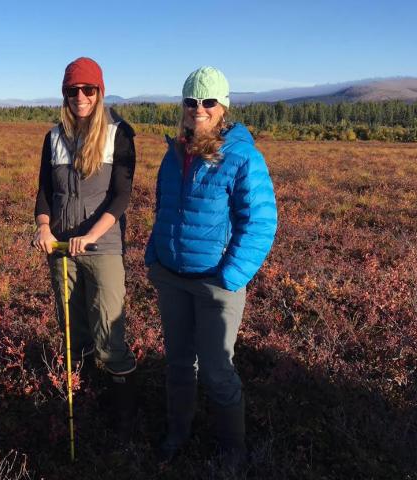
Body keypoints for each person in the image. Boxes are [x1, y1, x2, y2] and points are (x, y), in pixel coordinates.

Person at [145, 66, 277, 464]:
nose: (198, 109)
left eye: (208, 102)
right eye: (190, 101)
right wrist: (155, 256)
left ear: (223, 107)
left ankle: (231, 449)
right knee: (179, 364)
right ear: (182, 106)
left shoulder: (241, 156)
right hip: (173, 278)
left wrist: (231, 277)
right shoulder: (174, 154)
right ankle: (178, 434)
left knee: (218, 370)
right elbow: (164, 209)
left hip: (216, 283)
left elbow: (261, 221)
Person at [31, 57, 138, 441]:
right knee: (73, 332)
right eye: (73, 90)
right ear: (65, 94)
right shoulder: (54, 137)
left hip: (103, 248)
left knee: (109, 330)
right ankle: (85, 401)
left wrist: (93, 234)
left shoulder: (119, 134)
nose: (80, 97)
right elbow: (45, 190)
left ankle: (122, 422)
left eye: (88, 90)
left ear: (99, 92)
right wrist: (43, 226)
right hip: (61, 250)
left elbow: (121, 196)